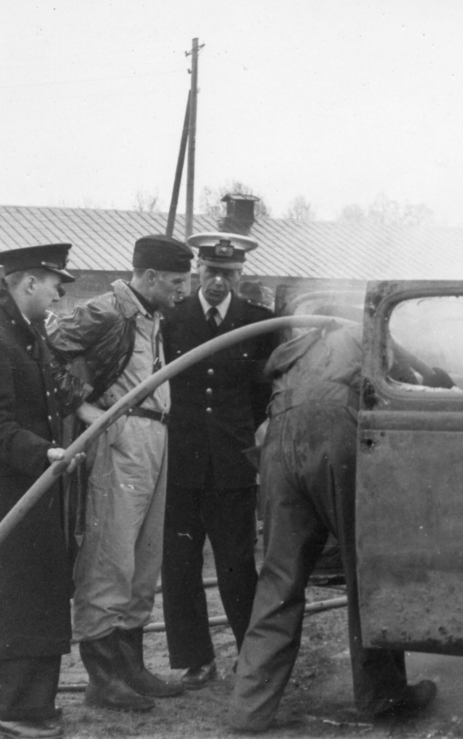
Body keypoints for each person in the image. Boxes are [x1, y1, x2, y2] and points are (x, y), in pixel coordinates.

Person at [228, 320, 439, 732]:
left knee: (279, 577)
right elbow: (409, 385)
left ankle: (248, 709)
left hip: (279, 441)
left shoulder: (298, 349)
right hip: (334, 434)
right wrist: (434, 378)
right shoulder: (368, 333)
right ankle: (384, 696)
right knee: (368, 567)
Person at [51, 235, 193, 712]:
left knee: (143, 560)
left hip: (155, 437)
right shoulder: (106, 309)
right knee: (110, 557)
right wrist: (83, 407)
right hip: (120, 437)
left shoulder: (152, 314)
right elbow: (45, 353)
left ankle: (131, 667)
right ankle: (104, 677)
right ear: (149, 276)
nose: (183, 291)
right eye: (176, 282)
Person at [0, 244, 82, 739]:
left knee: (38, 593)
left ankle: (34, 703)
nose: (59, 294)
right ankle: (9, 706)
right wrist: (44, 452)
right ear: (29, 283)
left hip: (34, 485)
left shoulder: (28, 333)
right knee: (11, 600)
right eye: (55, 285)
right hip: (4, 492)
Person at [160, 232, 278, 689]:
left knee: (236, 562)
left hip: (232, 463)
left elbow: (265, 392)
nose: (217, 282)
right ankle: (195, 659)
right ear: (198, 272)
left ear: (240, 275)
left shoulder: (259, 323)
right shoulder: (171, 320)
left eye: (227, 274)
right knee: (180, 563)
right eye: (210, 271)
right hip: (181, 461)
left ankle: (251, 656)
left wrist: (250, 433)